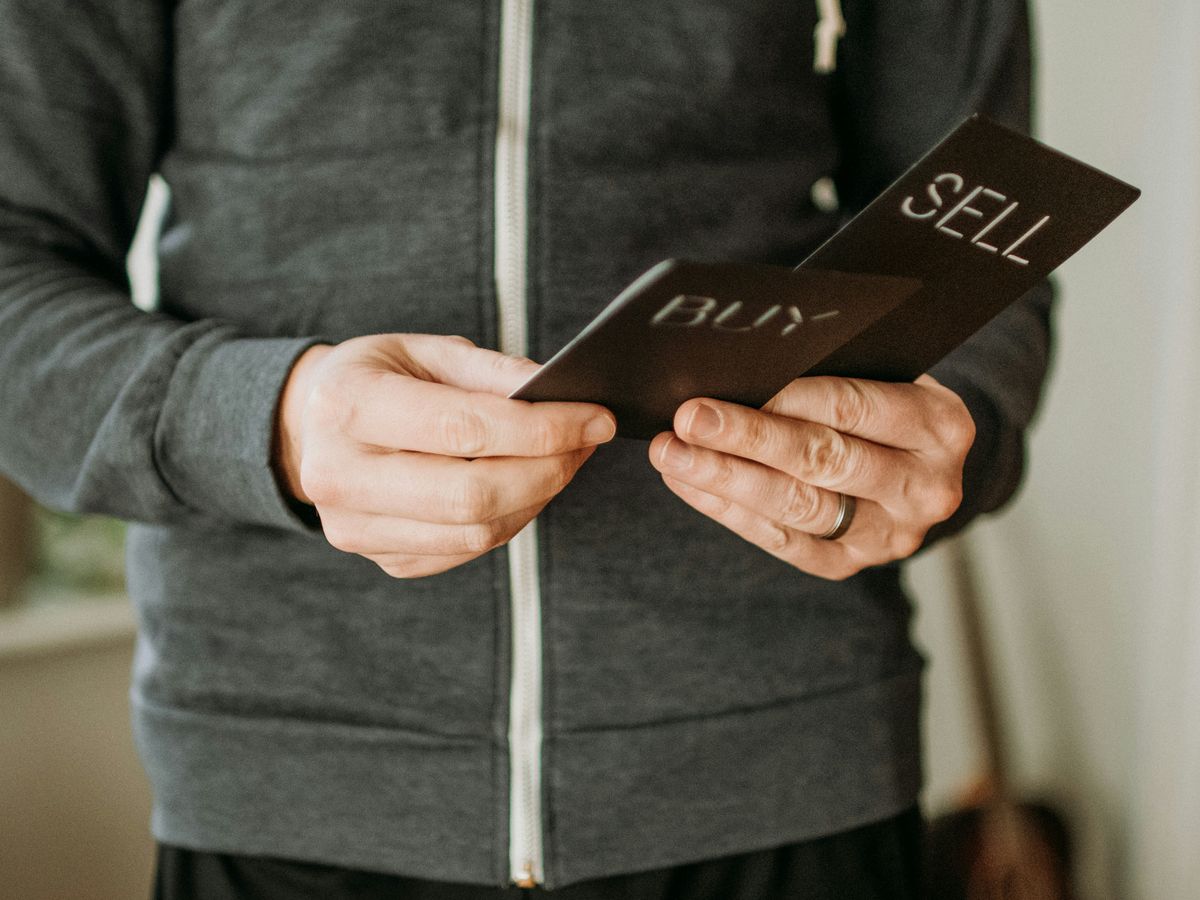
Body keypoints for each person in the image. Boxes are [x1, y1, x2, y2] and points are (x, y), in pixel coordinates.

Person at [0, 1, 1052, 897]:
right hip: (292, 779)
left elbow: (981, 213)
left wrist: (946, 430)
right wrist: (262, 421)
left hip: (786, 763)